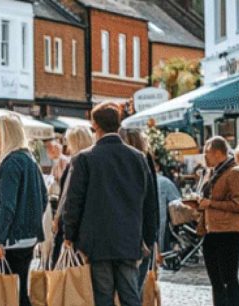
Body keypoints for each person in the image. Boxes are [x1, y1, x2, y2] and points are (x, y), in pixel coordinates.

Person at [60, 103, 158, 306]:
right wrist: (149, 238)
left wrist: (69, 235)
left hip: (97, 240)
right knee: (130, 295)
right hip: (130, 238)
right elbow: (149, 202)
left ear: (95, 125)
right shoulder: (138, 158)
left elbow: (74, 201)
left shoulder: (84, 159)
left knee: (103, 296)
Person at [0, 115, 47, 306]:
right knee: (19, 289)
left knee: (13, 294)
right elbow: (44, 198)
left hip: (12, 238)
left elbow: (8, 205)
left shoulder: (11, 163)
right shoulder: (31, 161)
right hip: (28, 236)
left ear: (5, 133)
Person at [194, 136, 239, 306]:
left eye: (207, 153)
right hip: (211, 231)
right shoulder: (214, 172)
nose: (205, 157)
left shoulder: (236, 172)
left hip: (228, 232)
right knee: (216, 282)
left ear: (218, 153)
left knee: (229, 279)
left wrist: (211, 203)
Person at [119, 129, 161, 292]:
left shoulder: (134, 161)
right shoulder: (145, 160)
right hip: (144, 232)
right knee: (135, 286)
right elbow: (152, 202)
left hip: (133, 233)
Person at [48, 125, 95, 268]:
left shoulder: (76, 162)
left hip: (71, 226)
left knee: (64, 271)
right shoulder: (93, 162)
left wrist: (58, 219)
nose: (67, 146)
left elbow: (68, 197)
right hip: (88, 226)